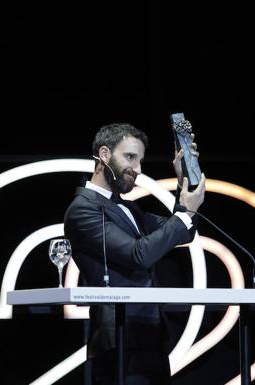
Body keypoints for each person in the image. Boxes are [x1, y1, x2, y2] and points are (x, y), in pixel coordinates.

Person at [64, 123, 206, 385]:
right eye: (130, 157)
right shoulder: (83, 209)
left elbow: (182, 231)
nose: (138, 170)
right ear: (104, 155)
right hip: (119, 339)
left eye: (140, 160)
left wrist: (184, 180)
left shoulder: (130, 209)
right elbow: (138, 254)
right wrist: (185, 212)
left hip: (150, 334)